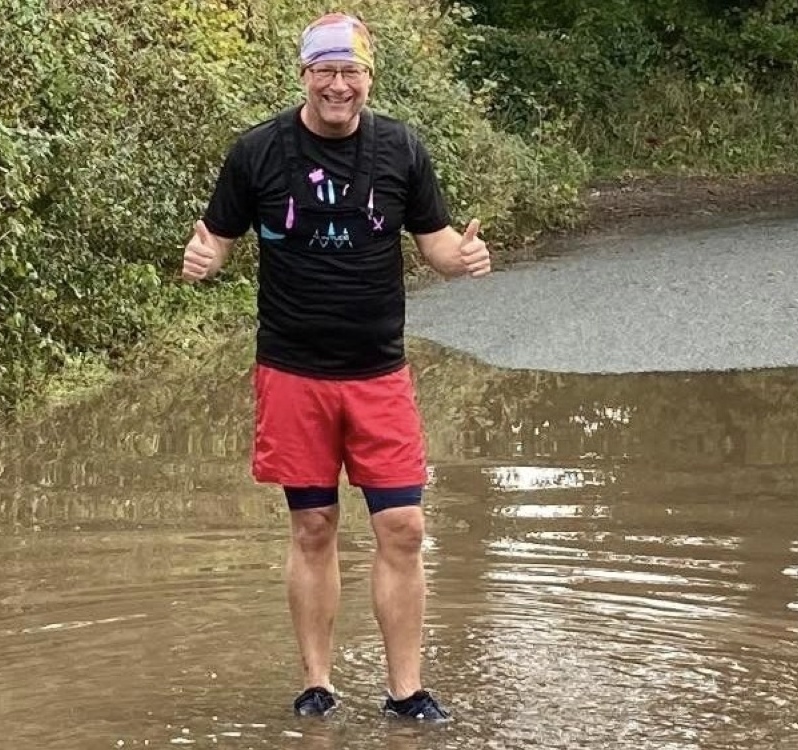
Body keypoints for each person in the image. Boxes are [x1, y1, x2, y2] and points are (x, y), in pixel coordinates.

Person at [181, 12, 490, 722]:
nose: (338, 85)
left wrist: (462, 259)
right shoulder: (257, 153)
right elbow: (218, 241)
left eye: (351, 71)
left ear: (368, 80)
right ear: (304, 76)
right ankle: (317, 684)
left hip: (378, 373)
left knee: (404, 527)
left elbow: (435, 244)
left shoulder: (400, 150)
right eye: (325, 70)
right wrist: (203, 261)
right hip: (293, 372)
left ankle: (406, 691)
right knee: (313, 526)